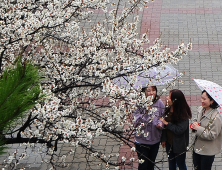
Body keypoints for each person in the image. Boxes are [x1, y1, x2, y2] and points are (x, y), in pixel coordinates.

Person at [133, 86, 165, 170]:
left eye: (153, 90)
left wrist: (160, 123)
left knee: (151, 165)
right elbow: (136, 121)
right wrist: (147, 113)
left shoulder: (159, 103)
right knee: (143, 166)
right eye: (149, 90)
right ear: (144, 92)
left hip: (155, 140)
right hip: (141, 141)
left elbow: (162, 117)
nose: (151, 93)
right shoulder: (138, 103)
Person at [160, 89, 192, 170]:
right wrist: (163, 139)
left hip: (179, 145)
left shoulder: (183, 114)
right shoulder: (168, 108)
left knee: (181, 164)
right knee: (171, 163)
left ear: (175, 101)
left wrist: (167, 123)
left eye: (170, 97)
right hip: (169, 143)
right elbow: (164, 125)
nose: (167, 98)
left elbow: (179, 130)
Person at [191, 90, 222, 170]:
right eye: (201, 97)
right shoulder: (201, 109)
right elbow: (196, 119)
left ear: (211, 101)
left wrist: (198, 128)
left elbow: (212, 135)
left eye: (204, 99)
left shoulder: (216, 117)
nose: (201, 100)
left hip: (207, 151)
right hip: (197, 148)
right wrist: (194, 123)